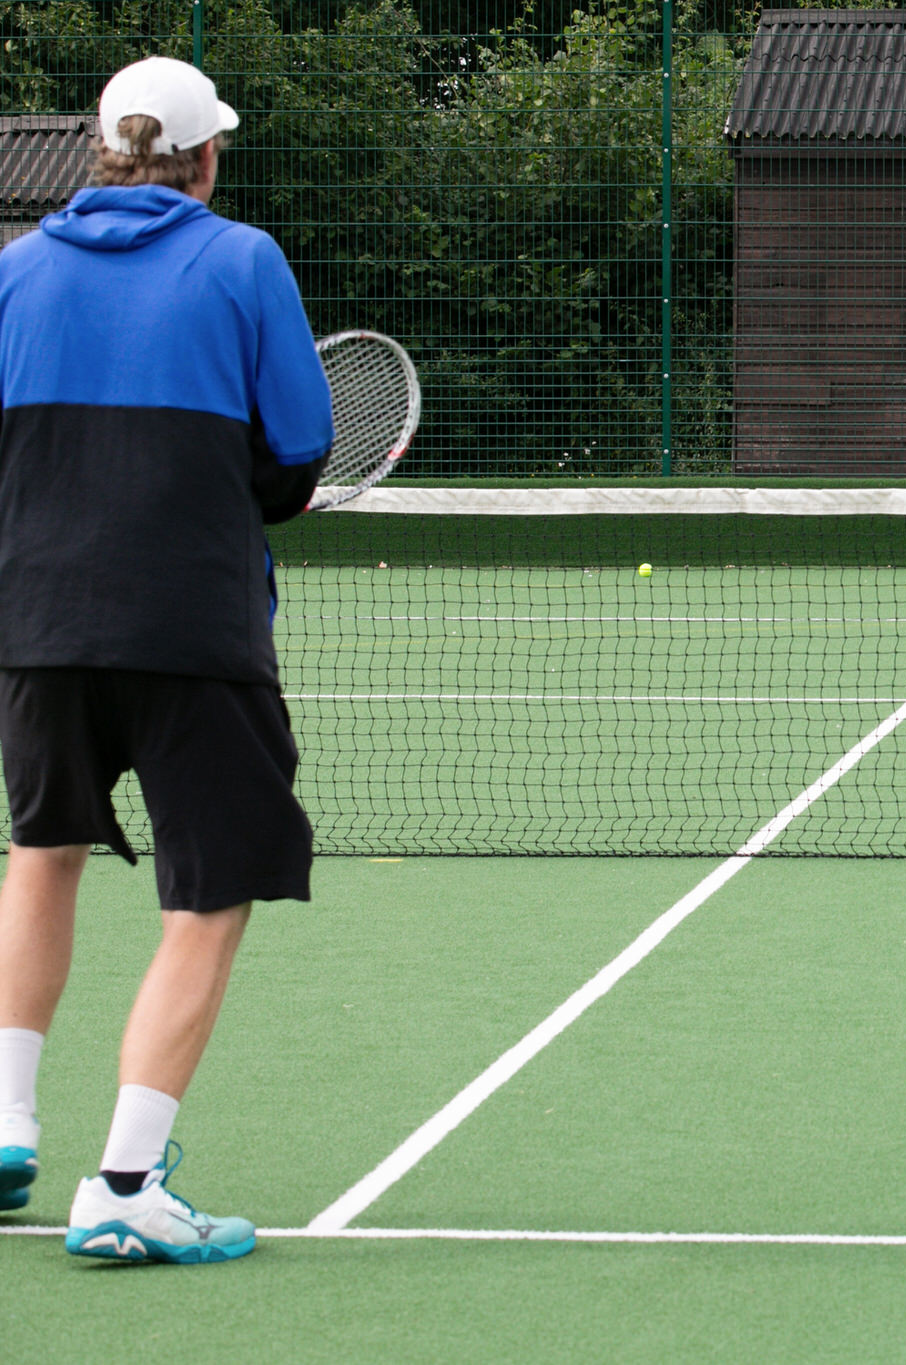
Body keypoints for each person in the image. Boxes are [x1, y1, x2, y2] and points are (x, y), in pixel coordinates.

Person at [0, 56, 332, 1264]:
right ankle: (128, 1184)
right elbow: (297, 455)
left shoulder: (13, 271)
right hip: (193, 633)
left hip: (35, 630)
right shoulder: (243, 260)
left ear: (101, 152)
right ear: (203, 159)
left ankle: (5, 1128)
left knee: (40, 855)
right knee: (206, 902)